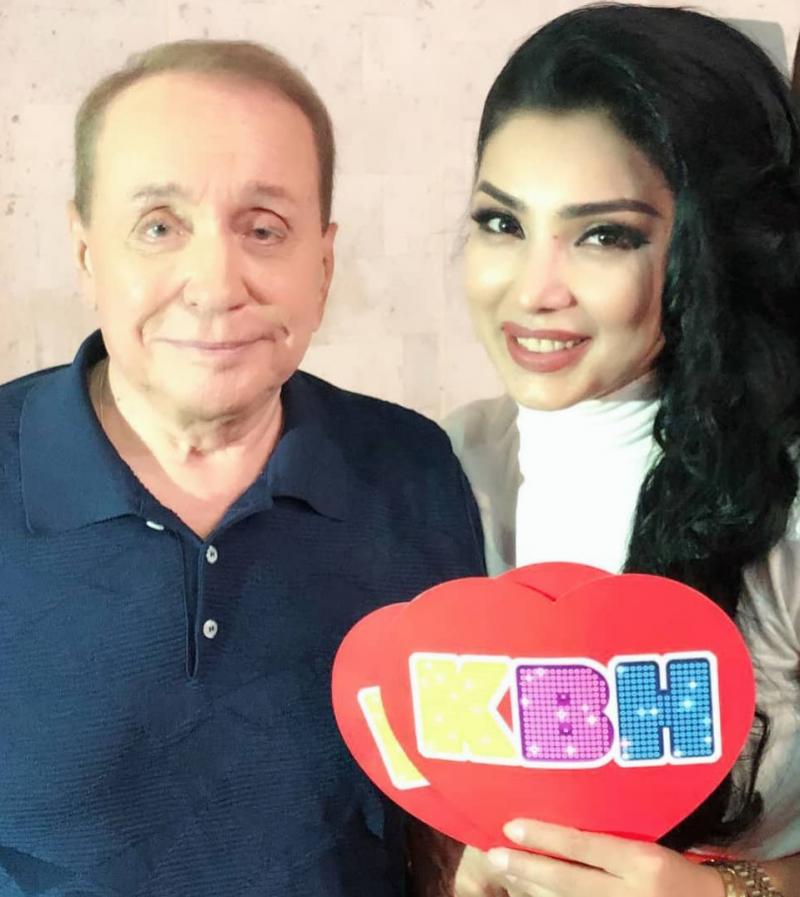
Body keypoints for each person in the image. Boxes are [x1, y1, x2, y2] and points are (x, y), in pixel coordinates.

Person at [0, 40, 486, 896]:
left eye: (264, 229)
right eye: (159, 226)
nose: (216, 283)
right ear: (85, 253)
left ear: (323, 264)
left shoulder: (414, 470)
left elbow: (443, 805)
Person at [441, 5, 800, 896]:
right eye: (502, 223)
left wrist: (725, 891)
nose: (534, 289)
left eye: (605, 235)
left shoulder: (785, 507)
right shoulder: (443, 467)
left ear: (706, 250)